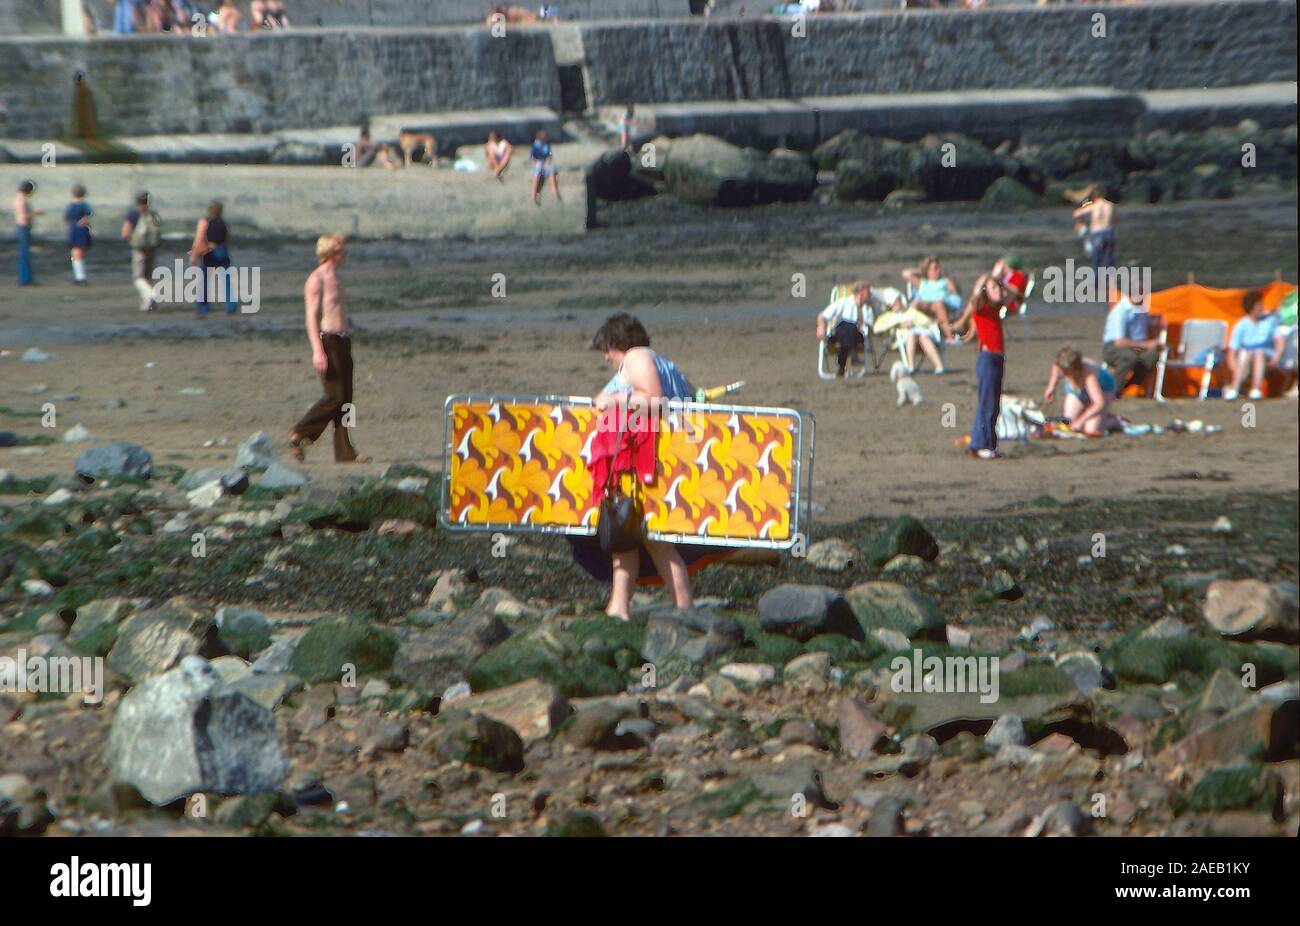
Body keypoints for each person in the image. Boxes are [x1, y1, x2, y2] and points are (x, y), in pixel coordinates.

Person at [570, 313, 715, 622]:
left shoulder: (636, 358)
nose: (607, 358)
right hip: (662, 462)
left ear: (612, 343)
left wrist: (611, 400)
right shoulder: (667, 364)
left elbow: (654, 398)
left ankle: (620, 610)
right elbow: (690, 398)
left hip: (639, 460)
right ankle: (679, 605)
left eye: (606, 351)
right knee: (654, 540)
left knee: (624, 534)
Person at [288, 235, 369, 464]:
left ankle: (345, 450)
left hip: (344, 341)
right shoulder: (317, 279)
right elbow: (311, 318)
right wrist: (317, 351)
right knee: (335, 396)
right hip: (328, 342)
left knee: (347, 400)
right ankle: (300, 431)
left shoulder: (337, 278)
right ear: (332, 253)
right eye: (342, 251)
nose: (345, 255)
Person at [952, 274, 1011, 460]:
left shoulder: (995, 308)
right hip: (988, 358)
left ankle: (990, 444)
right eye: (994, 289)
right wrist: (983, 283)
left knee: (994, 405)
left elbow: (1010, 295)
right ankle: (979, 444)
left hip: (997, 358)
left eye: (998, 288)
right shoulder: (981, 306)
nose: (998, 291)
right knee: (987, 404)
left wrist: (998, 282)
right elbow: (974, 300)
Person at [1043, 347, 1121, 436]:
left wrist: (1080, 421)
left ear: (1076, 368)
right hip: (1077, 391)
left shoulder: (1089, 374)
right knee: (1067, 423)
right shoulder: (1060, 364)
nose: (1063, 374)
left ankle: (1114, 421)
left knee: (1090, 429)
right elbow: (1056, 368)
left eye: (1066, 372)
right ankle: (1095, 415)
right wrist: (1051, 387)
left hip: (1104, 389)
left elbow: (1099, 403)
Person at [1223, 288, 1283, 401]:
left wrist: (1276, 357)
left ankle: (1255, 388)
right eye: (1258, 305)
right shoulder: (1241, 325)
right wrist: (1234, 367)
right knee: (1247, 353)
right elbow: (1232, 351)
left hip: (1267, 356)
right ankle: (1235, 387)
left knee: (1258, 353)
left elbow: (1279, 341)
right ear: (1251, 307)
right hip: (1246, 358)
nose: (1261, 307)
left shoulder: (1270, 321)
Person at [1101, 288, 1162, 394]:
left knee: (1152, 356)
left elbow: (1150, 327)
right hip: (1114, 348)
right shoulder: (1121, 312)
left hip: (1137, 348)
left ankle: (1127, 385)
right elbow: (1119, 341)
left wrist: (1156, 330)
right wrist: (1147, 345)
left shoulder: (1142, 310)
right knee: (1129, 357)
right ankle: (1112, 391)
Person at [189, 200, 238, 315]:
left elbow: (199, 238)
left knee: (205, 280)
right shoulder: (224, 223)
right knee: (226, 280)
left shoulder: (205, 222)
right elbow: (227, 237)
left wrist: (194, 255)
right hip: (222, 250)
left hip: (210, 251)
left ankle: (203, 307)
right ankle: (231, 306)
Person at [816, 280, 872, 376]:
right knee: (846, 324)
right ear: (861, 291)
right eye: (868, 291)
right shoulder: (844, 302)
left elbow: (868, 326)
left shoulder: (867, 309)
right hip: (839, 335)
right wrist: (821, 327)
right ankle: (853, 354)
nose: (870, 294)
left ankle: (842, 365)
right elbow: (823, 315)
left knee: (851, 327)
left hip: (858, 337)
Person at [901, 257, 962, 341]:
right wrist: (921, 270)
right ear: (928, 271)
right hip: (926, 305)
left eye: (939, 267)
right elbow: (905, 273)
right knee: (916, 303)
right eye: (935, 268)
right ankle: (910, 330)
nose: (938, 270)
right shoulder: (922, 283)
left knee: (938, 304)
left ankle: (949, 337)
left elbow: (956, 295)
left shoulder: (945, 281)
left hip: (942, 304)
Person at [122, 190, 161, 312]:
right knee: (148, 276)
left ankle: (152, 295)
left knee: (138, 278)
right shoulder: (153, 214)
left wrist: (132, 241)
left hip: (139, 248)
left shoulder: (133, 215)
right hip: (152, 248)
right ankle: (147, 305)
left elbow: (125, 233)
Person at [1072, 185, 1116, 281]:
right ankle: (1110, 281)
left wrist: (1083, 221)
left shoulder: (1093, 206)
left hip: (1097, 234)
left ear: (1094, 196)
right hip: (1108, 232)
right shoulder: (1110, 205)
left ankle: (1096, 282)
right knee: (1108, 259)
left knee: (1097, 259)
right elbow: (1114, 219)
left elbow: (1076, 214)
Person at [65, 184, 94, 287]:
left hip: (74, 229)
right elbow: (89, 214)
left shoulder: (71, 206)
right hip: (82, 229)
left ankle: (80, 277)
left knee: (76, 254)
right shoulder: (84, 205)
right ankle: (80, 276)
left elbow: (67, 219)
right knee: (81, 253)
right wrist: (83, 221)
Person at [14, 181, 42, 286]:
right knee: (25, 254)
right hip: (23, 228)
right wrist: (35, 213)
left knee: (25, 254)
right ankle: (25, 279)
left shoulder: (20, 198)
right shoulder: (21, 200)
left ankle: (27, 278)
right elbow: (23, 216)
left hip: (23, 228)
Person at [529, 130, 561, 205]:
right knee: (537, 173)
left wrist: (547, 162)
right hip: (538, 164)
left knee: (552, 171)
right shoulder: (535, 146)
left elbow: (549, 155)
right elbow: (532, 157)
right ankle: (533, 195)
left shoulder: (547, 145)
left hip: (546, 164)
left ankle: (554, 192)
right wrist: (537, 162)